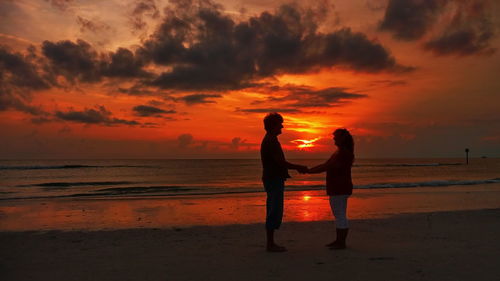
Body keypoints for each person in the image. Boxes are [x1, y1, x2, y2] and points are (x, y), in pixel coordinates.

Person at [260, 112, 308, 252]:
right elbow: (280, 162)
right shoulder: (271, 141)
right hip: (273, 178)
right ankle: (270, 244)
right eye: (279, 124)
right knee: (274, 210)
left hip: (273, 178)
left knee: (273, 208)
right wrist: (298, 167)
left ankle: (271, 242)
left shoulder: (271, 139)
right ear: (273, 125)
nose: (282, 126)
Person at [307, 128, 354, 250]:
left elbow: (327, 166)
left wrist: (308, 171)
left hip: (340, 187)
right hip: (337, 187)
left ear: (342, 138)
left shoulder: (344, 153)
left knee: (340, 215)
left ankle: (341, 242)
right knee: (339, 214)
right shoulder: (338, 152)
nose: (333, 138)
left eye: (336, 136)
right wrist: (309, 171)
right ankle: (339, 241)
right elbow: (326, 165)